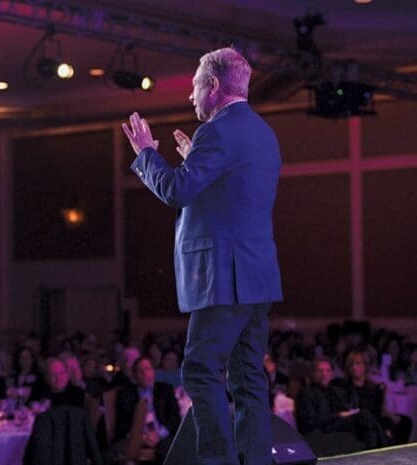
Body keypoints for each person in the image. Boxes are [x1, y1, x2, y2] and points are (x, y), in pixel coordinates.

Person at [122, 47, 283, 465]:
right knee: (248, 378)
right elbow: (233, 196)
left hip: (224, 277)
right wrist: (197, 162)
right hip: (258, 276)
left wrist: (145, 155)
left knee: (199, 370)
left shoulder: (218, 132)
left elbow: (177, 191)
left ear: (213, 86)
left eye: (195, 85)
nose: (190, 95)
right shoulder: (264, 133)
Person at [296, 356, 388, 450]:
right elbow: (310, 421)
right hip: (322, 428)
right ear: (313, 373)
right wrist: (338, 415)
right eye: (320, 371)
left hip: (335, 424)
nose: (324, 374)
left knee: (368, 428)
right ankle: (388, 444)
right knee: (363, 416)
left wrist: (349, 412)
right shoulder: (306, 393)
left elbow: (345, 407)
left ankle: (376, 455)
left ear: (331, 373)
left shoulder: (333, 390)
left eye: (328, 371)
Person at [115, 356, 181, 464]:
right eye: (140, 371)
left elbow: (175, 418)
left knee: (169, 449)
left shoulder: (165, 389)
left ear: (153, 371)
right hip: (138, 436)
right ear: (135, 375)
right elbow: (122, 424)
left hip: (161, 435)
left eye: (147, 369)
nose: (144, 373)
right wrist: (141, 437)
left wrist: (159, 434)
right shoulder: (126, 395)